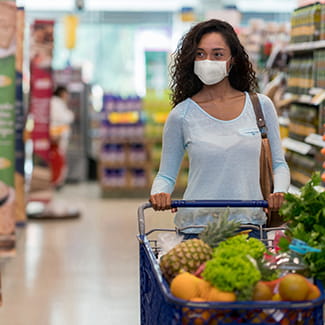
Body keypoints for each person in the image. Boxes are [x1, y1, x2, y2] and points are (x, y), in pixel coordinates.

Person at [149, 19, 290, 239]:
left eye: (217, 54)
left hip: (249, 226)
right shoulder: (182, 115)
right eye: (200, 54)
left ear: (232, 60)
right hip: (197, 229)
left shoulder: (260, 106)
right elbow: (166, 175)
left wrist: (279, 191)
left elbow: (279, 164)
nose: (208, 61)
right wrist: (159, 193)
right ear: (191, 59)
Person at [49, 85, 74, 186]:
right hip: (57, 136)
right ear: (62, 93)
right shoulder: (55, 102)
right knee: (57, 159)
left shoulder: (59, 103)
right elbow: (64, 117)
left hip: (60, 136)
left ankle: (58, 180)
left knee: (60, 159)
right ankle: (56, 181)